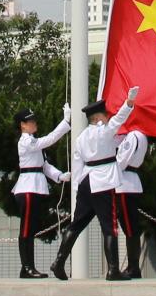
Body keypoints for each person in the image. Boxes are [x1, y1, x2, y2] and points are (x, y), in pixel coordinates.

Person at [51, 88, 140, 281]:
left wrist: (76, 189)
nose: (108, 117)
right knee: (110, 227)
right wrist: (129, 102)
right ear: (98, 117)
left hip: (86, 183)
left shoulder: (81, 137)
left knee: (76, 225)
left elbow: (77, 164)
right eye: (105, 114)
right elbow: (119, 119)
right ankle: (113, 270)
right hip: (103, 182)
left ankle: (59, 262)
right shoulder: (104, 131)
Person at [12, 105, 71, 279]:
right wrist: (65, 122)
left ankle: (29, 266)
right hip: (28, 188)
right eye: (30, 121)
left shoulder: (32, 141)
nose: (34, 123)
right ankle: (27, 267)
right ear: (22, 125)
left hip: (35, 187)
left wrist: (60, 176)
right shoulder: (26, 141)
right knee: (26, 229)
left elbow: (44, 166)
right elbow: (49, 139)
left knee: (31, 229)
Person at [111, 102, 151, 280]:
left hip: (125, 182)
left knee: (129, 227)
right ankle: (132, 265)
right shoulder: (135, 135)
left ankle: (134, 266)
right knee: (129, 227)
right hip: (128, 182)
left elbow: (122, 160)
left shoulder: (134, 136)